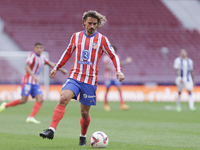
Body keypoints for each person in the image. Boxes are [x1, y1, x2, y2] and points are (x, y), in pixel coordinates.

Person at [39, 10, 125, 146]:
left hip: (90, 81)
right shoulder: (76, 37)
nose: (92, 26)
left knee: (84, 112)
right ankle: (51, 130)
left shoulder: (102, 39)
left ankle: (82, 136)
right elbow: (67, 52)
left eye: (94, 24)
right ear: (84, 22)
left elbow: (113, 56)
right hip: (74, 76)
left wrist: (119, 71)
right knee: (63, 98)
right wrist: (56, 67)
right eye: (89, 23)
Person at [0, 43, 68, 123]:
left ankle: (30, 117)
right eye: (37, 47)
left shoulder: (43, 57)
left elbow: (51, 64)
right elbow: (26, 66)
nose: (39, 49)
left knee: (40, 98)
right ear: (35, 48)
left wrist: (61, 69)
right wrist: (33, 75)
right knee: (23, 100)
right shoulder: (32, 56)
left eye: (41, 48)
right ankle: (5, 105)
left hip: (35, 83)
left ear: (42, 49)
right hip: (27, 81)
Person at [103, 45, 132, 111]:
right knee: (107, 91)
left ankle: (122, 104)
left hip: (115, 77)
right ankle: (106, 105)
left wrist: (126, 61)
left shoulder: (116, 57)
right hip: (108, 77)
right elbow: (106, 66)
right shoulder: (106, 58)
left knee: (119, 90)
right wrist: (114, 69)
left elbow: (119, 65)